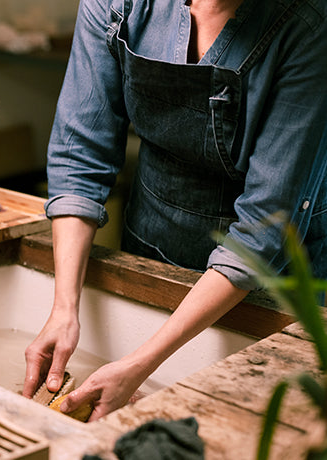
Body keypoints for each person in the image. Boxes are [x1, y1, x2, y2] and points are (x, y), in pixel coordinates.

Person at [22, 0, 327, 422]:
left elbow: (264, 230)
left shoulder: (309, 24)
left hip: (275, 285)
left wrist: (140, 363)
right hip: (152, 247)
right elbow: (80, 158)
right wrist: (64, 309)